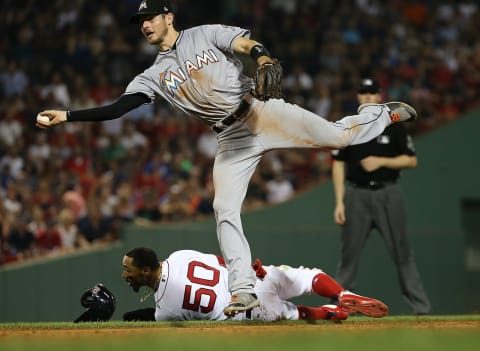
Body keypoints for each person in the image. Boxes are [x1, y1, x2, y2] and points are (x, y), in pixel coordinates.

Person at [36, 0, 417, 317]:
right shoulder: (152, 76)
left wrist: (264, 59)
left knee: (339, 137)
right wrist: (68, 115)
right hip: (231, 137)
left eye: (150, 17)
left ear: (168, 16)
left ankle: (382, 114)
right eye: (140, 22)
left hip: (258, 110)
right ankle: (242, 290)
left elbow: (246, 46)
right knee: (224, 208)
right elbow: (118, 109)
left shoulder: (204, 33)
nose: (145, 25)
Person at [331, 78, 431, 315]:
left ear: (379, 96)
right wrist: (338, 202)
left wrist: (382, 161)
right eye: (363, 92)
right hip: (356, 195)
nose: (367, 96)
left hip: (388, 193)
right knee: (348, 258)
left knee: (403, 253)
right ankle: (342, 308)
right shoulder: (349, 124)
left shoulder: (394, 125)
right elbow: (337, 164)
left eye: (372, 92)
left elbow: (411, 159)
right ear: (358, 97)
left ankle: (422, 310)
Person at [121, 246, 388, 321]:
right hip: (250, 278)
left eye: (128, 269)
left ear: (146, 270)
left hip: (244, 311)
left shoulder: (164, 310)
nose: (125, 275)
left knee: (291, 314)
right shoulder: (180, 256)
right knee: (308, 276)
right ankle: (343, 294)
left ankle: (332, 313)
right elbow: (219, 260)